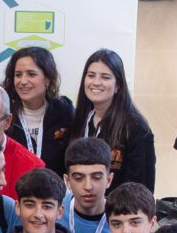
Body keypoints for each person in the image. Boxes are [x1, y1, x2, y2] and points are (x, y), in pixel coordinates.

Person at [67, 50, 156, 194]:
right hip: (79, 210)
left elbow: (141, 189)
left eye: (105, 77)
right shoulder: (79, 120)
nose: (96, 82)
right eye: (91, 76)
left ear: (118, 86)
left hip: (118, 213)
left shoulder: (135, 128)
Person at [1, 47, 76, 174]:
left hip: (56, 191)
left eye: (31, 74)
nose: (23, 81)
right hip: (14, 191)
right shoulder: (5, 114)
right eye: (18, 75)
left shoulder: (64, 111)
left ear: (47, 79)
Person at [61, 136, 118, 233]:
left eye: (96, 177)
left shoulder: (123, 222)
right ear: (68, 181)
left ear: (109, 180)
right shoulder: (54, 213)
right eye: (78, 178)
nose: (88, 186)